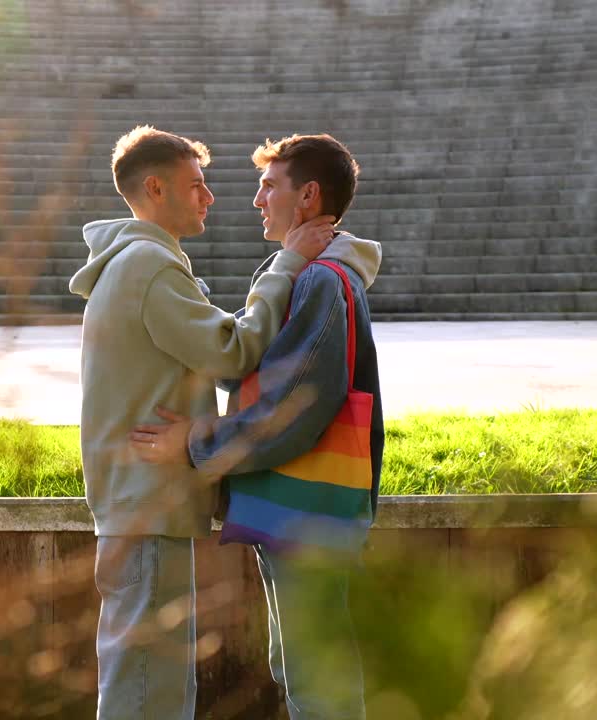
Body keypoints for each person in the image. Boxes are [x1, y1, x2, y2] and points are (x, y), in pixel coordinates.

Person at [67, 125, 336, 720]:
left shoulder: (138, 264)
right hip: (147, 503)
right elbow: (234, 353)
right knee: (148, 690)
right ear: (156, 188)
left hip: (141, 503)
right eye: (197, 185)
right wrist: (287, 263)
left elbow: (214, 353)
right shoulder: (149, 268)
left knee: (147, 682)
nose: (209, 197)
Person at [128, 133, 383, 720]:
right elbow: (247, 371)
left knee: (317, 680)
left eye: (270, 186)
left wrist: (193, 442)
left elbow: (293, 408)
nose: (256, 199)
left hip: (305, 511)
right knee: (297, 668)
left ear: (309, 196)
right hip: (290, 504)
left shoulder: (323, 281)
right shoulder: (304, 274)